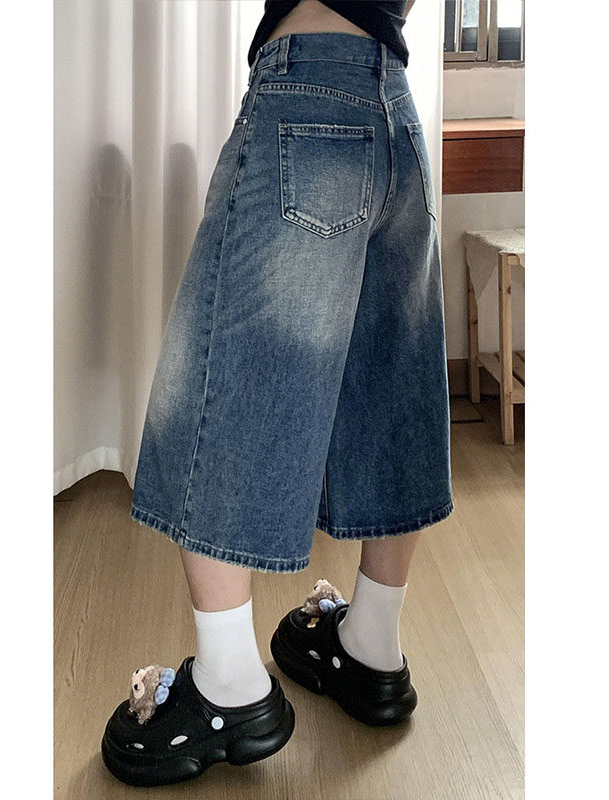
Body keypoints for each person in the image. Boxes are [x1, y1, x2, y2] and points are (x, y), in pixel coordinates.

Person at [102, 1, 454, 787]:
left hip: (304, 92)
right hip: (395, 109)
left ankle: (228, 687)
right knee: (387, 383)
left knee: (218, 388)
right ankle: (372, 646)